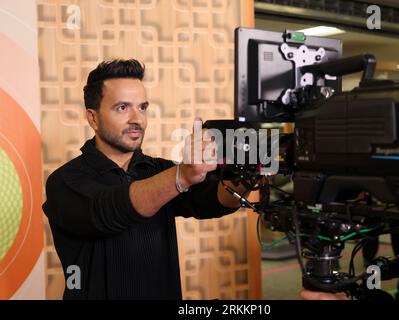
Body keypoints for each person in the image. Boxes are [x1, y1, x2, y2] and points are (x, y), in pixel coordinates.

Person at [42, 59, 252, 299]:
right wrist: (182, 176)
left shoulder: (158, 170)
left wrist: (250, 176)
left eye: (142, 107)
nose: (137, 119)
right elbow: (109, 210)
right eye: (123, 107)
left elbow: (214, 199)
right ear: (93, 118)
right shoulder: (65, 181)